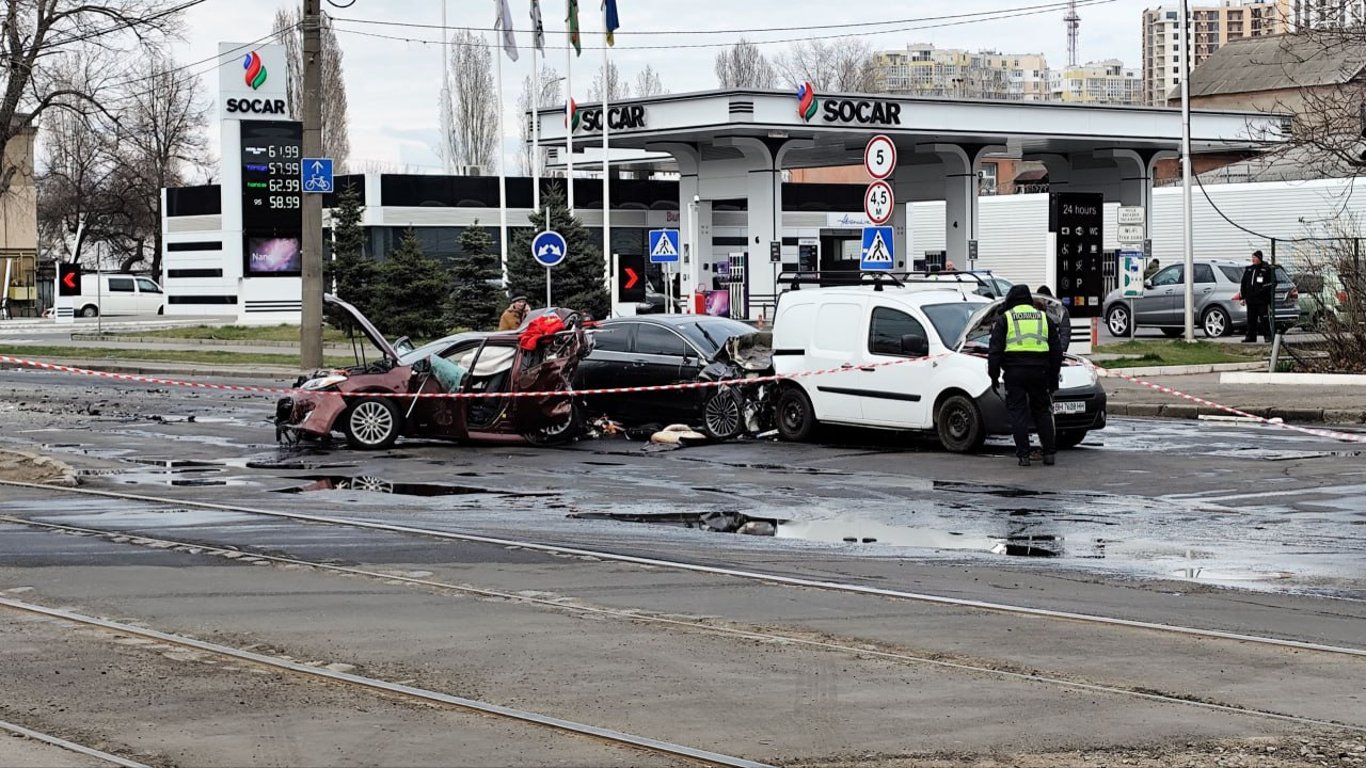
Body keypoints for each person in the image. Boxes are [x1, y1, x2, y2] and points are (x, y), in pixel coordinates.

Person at [989, 284, 1064, 467]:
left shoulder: (1005, 319)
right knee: (1042, 411)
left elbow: (995, 352)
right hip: (1040, 372)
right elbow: (1056, 352)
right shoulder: (1043, 318)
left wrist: (993, 376)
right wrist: (1053, 379)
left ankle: (1024, 456)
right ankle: (1049, 454)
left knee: (1018, 413)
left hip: (1014, 373)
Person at [1240, 250, 1276, 343]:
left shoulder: (1266, 269)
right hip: (1250, 299)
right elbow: (1243, 283)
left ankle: (1268, 336)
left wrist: (1262, 290)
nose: (1253, 259)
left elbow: (1272, 283)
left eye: (1255, 257)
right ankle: (1250, 336)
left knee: (1264, 318)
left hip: (1261, 300)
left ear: (1259, 258)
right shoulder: (1249, 269)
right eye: (1252, 257)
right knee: (1251, 319)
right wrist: (1243, 296)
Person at [1035, 285, 1071, 352]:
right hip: (1039, 349)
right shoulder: (1035, 308)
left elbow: (1065, 333)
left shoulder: (1060, 310)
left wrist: (1061, 351)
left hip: (1054, 348)